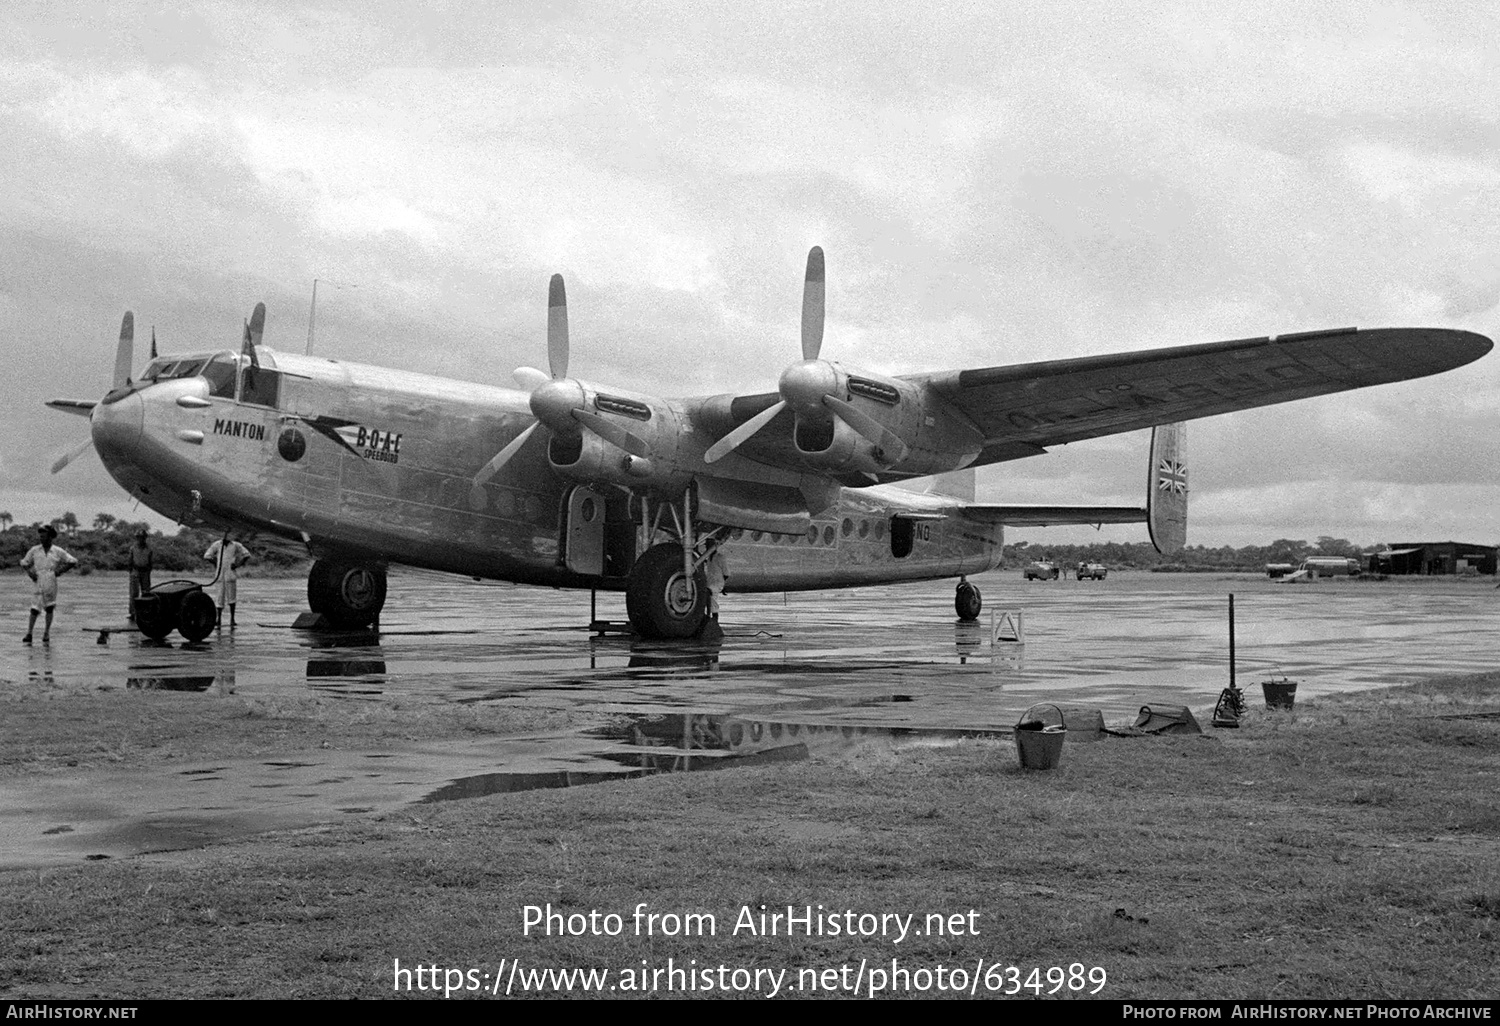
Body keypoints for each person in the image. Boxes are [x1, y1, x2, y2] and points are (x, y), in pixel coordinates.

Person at [21, 525, 78, 644]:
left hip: (51, 578)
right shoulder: (35, 550)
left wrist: (60, 571)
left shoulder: (57, 551)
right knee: (34, 607)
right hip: (38, 577)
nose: (41, 539)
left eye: (43, 536)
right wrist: (30, 572)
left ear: (50, 537)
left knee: (49, 607)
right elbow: (24, 562)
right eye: (40, 536)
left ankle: (46, 633)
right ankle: (29, 633)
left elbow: (72, 561)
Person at [203, 531, 251, 628]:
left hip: (230, 573)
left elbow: (247, 555)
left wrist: (237, 565)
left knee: (231, 597)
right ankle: (219, 619)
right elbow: (207, 555)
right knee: (219, 596)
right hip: (220, 574)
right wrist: (215, 563)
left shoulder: (236, 545)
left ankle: (232, 619)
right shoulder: (217, 544)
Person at [127, 527, 153, 622]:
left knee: (146, 592)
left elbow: (150, 562)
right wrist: (131, 571)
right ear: (137, 538)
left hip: (145, 571)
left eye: (142, 537)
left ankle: (146, 612)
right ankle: (133, 613)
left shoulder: (149, 549)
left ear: (145, 538)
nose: (141, 539)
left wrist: (148, 571)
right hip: (135, 571)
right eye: (139, 537)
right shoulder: (133, 548)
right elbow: (130, 561)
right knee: (134, 593)